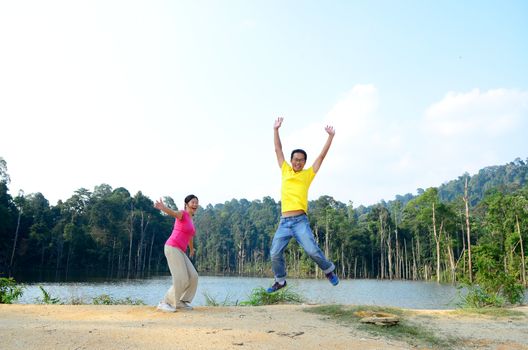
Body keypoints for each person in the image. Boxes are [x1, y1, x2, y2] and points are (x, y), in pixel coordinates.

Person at [267, 117, 339, 293]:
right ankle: (280, 280)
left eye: (301, 160)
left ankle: (329, 270)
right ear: (291, 160)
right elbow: (278, 149)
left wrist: (330, 137)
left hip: (300, 221)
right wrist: (276, 130)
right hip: (284, 222)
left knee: (313, 251)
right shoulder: (285, 170)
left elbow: (321, 156)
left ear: (305, 162)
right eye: (295, 159)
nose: (297, 162)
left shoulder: (308, 174)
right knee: (274, 253)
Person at [154, 195, 199, 312]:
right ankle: (164, 302)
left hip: (180, 250)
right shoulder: (182, 214)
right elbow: (173, 213)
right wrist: (162, 207)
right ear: (186, 204)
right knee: (181, 278)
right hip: (172, 247)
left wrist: (192, 248)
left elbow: (190, 236)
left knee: (193, 276)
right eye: (193, 202)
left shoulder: (190, 219)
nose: (195, 204)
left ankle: (181, 302)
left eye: (196, 203)